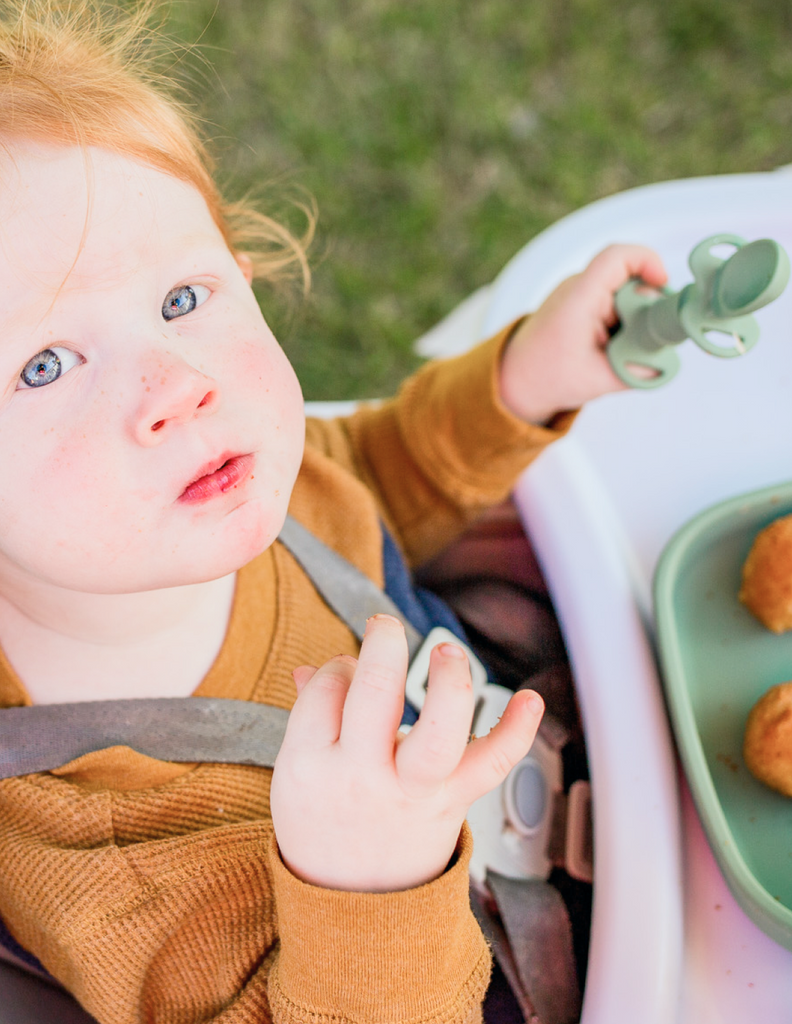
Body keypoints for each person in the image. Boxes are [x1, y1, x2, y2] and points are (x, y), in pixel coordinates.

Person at [0, 3, 667, 1022]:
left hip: (601, 769)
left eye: (182, 299)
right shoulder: (111, 854)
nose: (178, 384)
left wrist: (521, 382)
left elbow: (367, 478)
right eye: (44, 365)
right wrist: (362, 883)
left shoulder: (218, 476)